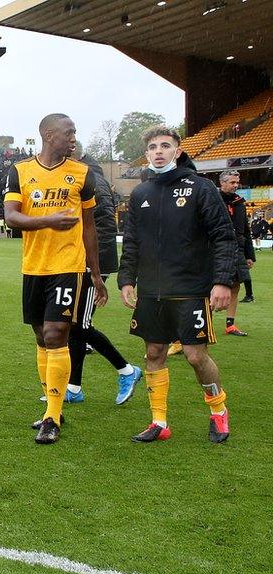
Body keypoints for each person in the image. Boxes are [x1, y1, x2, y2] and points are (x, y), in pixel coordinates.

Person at [118, 126, 236, 444]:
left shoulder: (200, 188)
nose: (158, 151)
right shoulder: (141, 194)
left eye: (165, 145)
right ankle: (159, 422)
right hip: (152, 291)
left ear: (177, 151)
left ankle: (218, 411)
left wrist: (222, 281)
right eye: (153, 147)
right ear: (147, 154)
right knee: (154, 352)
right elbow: (131, 241)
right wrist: (126, 279)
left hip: (190, 288)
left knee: (196, 356)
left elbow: (224, 236)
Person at [3, 113, 106, 445]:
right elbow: (11, 218)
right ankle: (53, 404)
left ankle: (52, 416)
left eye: (75, 132)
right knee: (40, 336)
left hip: (68, 265)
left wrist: (95, 271)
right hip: (34, 266)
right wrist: (48, 220)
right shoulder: (19, 171)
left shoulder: (83, 174)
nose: (73, 137)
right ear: (49, 135)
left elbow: (89, 225)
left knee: (55, 332)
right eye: (68, 132)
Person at [57, 147, 142, 406]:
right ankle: (73, 387)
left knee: (79, 325)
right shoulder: (85, 174)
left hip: (92, 260)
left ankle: (127, 370)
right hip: (83, 258)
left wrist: (95, 267)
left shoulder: (88, 176)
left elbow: (101, 223)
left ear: (73, 156)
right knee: (75, 325)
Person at [216, 170, 254, 332]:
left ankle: (230, 324)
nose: (235, 186)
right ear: (222, 183)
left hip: (237, 248)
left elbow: (245, 230)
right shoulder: (212, 199)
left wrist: (249, 255)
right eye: (232, 182)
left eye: (237, 183)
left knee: (236, 286)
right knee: (211, 287)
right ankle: (204, 323)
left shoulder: (239, 202)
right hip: (216, 248)